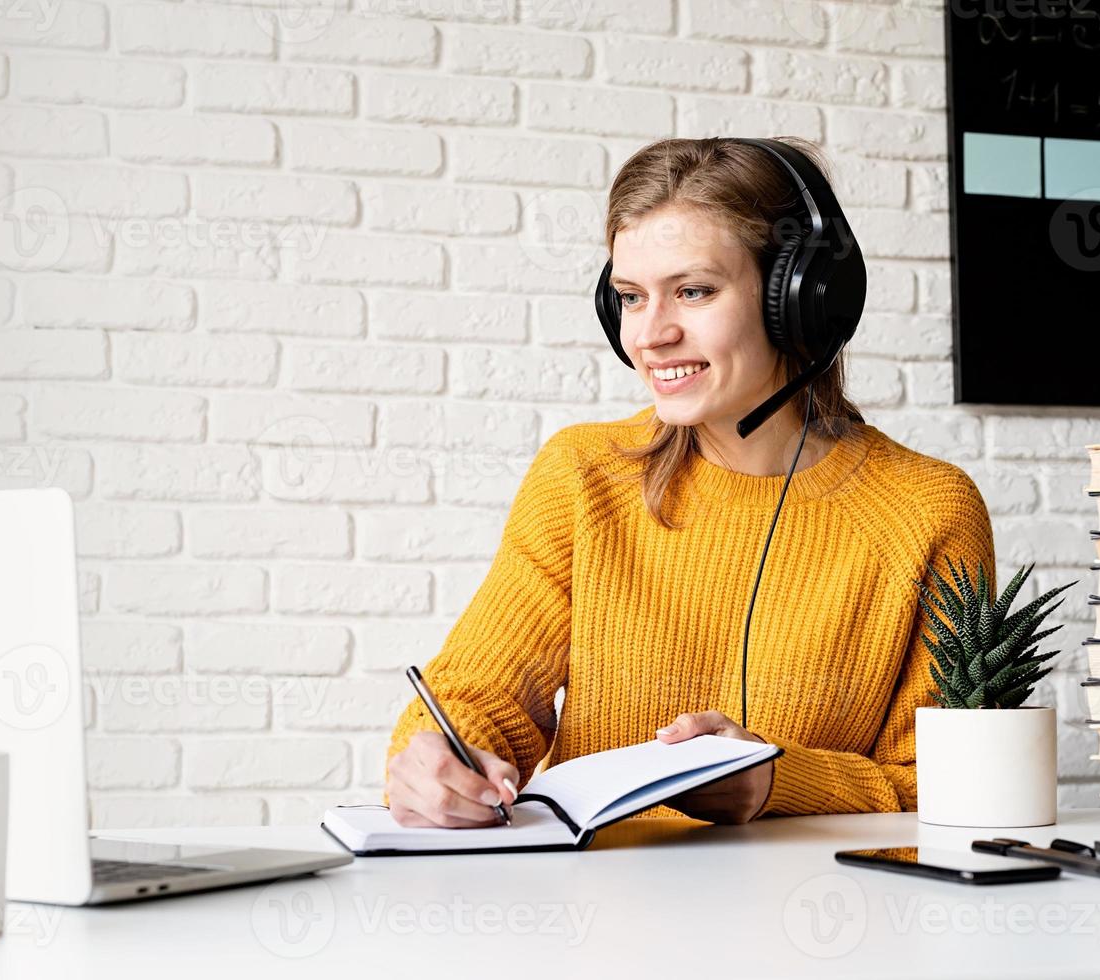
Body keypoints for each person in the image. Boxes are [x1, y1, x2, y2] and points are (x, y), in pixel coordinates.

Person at [383, 136, 995, 829]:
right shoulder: (583, 476)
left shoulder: (927, 509)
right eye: (631, 297)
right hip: (599, 917)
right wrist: (441, 756)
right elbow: (481, 692)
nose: (649, 335)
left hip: (827, 915)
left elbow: (950, 778)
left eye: (692, 291)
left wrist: (772, 779)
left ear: (799, 298)